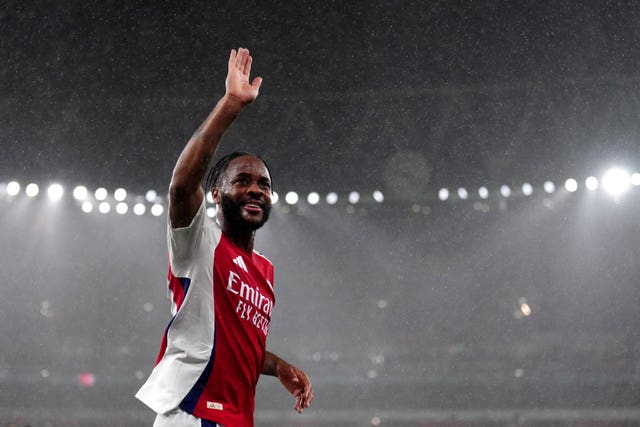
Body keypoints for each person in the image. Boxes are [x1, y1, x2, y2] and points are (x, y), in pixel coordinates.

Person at [135, 47, 313, 427]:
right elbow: (181, 187)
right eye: (242, 181)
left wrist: (278, 365)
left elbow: (236, 345)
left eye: (263, 184)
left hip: (235, 419)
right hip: (192, 412)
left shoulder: (264, 270)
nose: (255, 190)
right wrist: (231, 105)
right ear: (216, 193)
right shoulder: (199, 239)